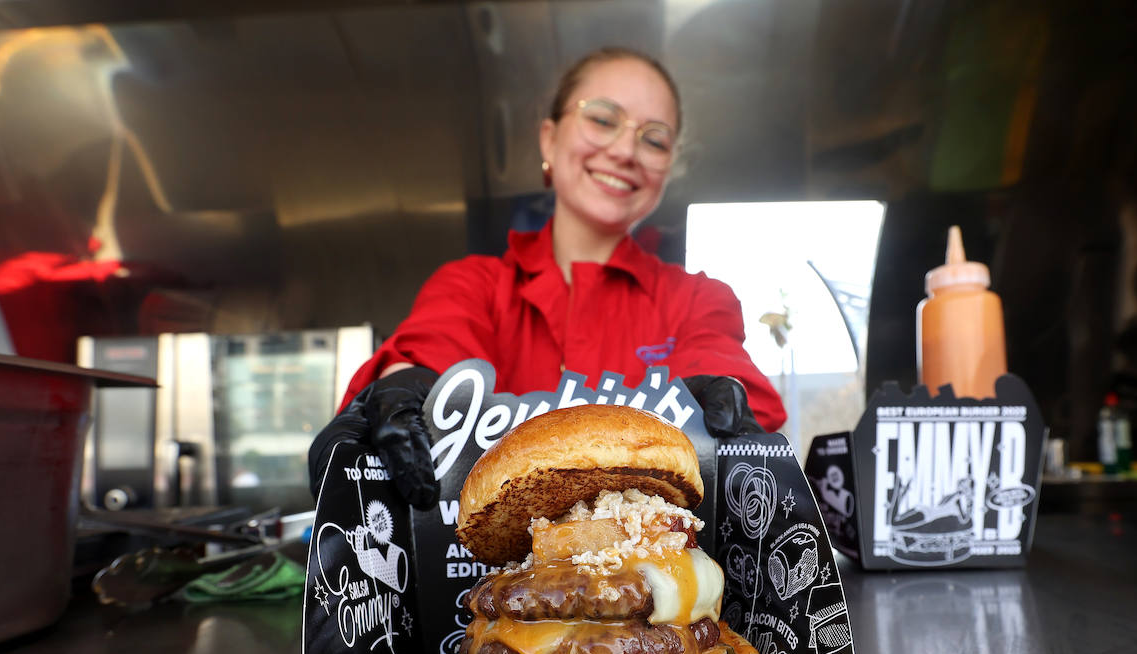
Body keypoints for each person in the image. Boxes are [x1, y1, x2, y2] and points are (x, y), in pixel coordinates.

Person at [310, 47, 787, 508]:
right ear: (548, 138)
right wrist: (400, 387)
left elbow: (733, 386)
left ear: (667, 168)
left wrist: (723, 398)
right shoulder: (474, 285)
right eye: (603, 119)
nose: (625, 150)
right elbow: (429, 350)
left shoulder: (698, 299)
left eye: (654, 138)